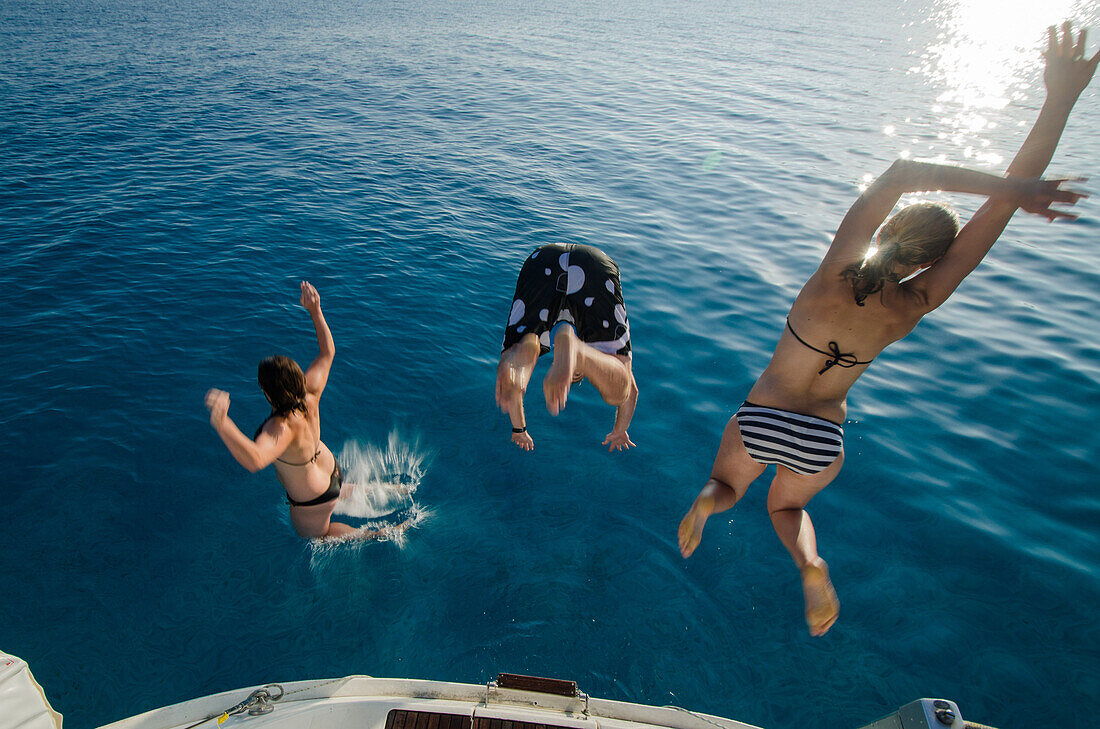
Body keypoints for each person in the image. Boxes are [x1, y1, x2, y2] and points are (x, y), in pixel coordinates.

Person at [678, 23, 1097, 636]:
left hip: (762, 416)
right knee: (787, 506)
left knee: (725, 484)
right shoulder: (919, 299)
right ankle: (811, 563)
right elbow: (1000, 211)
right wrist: (1058, 108)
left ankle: (706, 506)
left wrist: (1013, 184)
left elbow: (903, 170)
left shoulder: (835, 273)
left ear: (891, 224)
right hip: (824, 439)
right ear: (929, 258)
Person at [205, 281, 407, 541]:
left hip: (314, 499)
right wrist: (315, 310)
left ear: (267, 393)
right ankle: (396, 490)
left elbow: (255, 460)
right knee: (338, 488)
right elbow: (327, 352)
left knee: (317, 536)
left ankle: (381, 534)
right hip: (330, 469)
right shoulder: (309, 393)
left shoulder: (281, 427)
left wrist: (223, 423)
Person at [495, 243, 639, 451]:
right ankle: (575, 353)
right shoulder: (596, 357)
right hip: (585, 265)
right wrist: (619, 430)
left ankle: (522, 355)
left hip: (547, 258)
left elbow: (634, 393)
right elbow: (630, 392)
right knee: (618, 393)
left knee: (516, 348)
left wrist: (520, 429)